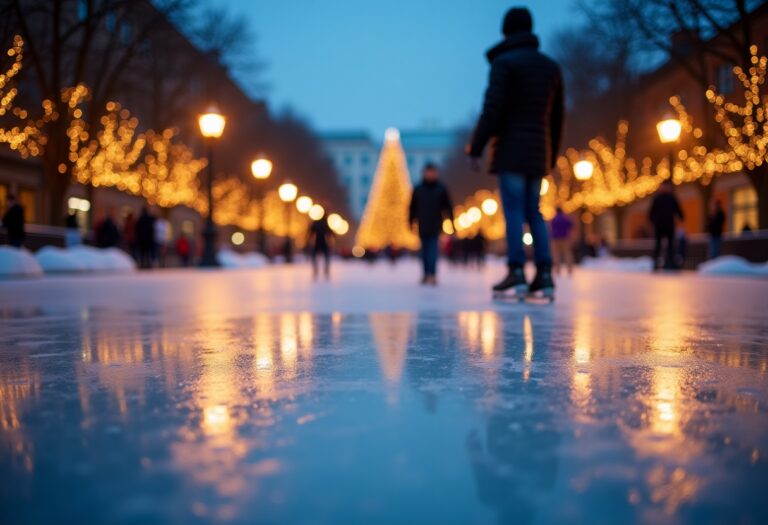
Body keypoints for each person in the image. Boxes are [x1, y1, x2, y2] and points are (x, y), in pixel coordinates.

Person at [467, 7, 564, 300]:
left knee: (513, 212)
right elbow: (557, 117)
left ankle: (517, 270)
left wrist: (477, 146)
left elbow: (492, 109)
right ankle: (545, 273)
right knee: (534, 211)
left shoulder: (504, 64)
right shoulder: (551, 67)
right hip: (538, 152)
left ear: (506, 31)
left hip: (510, 150)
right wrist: (551, 156)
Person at [408, 163, 454, 285]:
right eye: (428, 172)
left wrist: (452, 223)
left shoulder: (441, 188)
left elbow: (448, 207)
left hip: (435, 224)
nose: (430, 174)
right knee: (424, 251)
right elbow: (412, 208)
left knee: (432, 250)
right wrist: (410, 222)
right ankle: (425, 273)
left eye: (432, 172)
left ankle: (432, 274)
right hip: (422, 224)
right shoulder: (418, 189)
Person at [648, 180, 684, 271]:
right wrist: (653, 222)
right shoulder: (657, 198)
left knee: (671, 246)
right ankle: (656, 264)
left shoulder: (671, 198)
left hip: (669, 226)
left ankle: (670, 264)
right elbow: (651, 213)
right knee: (658, 245)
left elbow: (678, 209)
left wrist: (681, 217)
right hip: (659, 226)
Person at [307, 214, 334, 279]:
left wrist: (308, 239)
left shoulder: (316, 223)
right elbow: (330, 232)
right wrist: (332, 237)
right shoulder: (325, 223)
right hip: (323, 241)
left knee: (314, 256)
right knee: (326, 256)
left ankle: (316, 269)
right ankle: (325, 269)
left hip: (317, 241)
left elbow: (310, 232)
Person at [550, 207, 574, 275]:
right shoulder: (565, 218)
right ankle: (569, 269)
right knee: (567, 253)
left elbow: (552, 227)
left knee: (556, 254)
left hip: (555, 238)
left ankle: (557, 269)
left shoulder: (554, 219)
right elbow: (571, 225)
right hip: (565, 238)